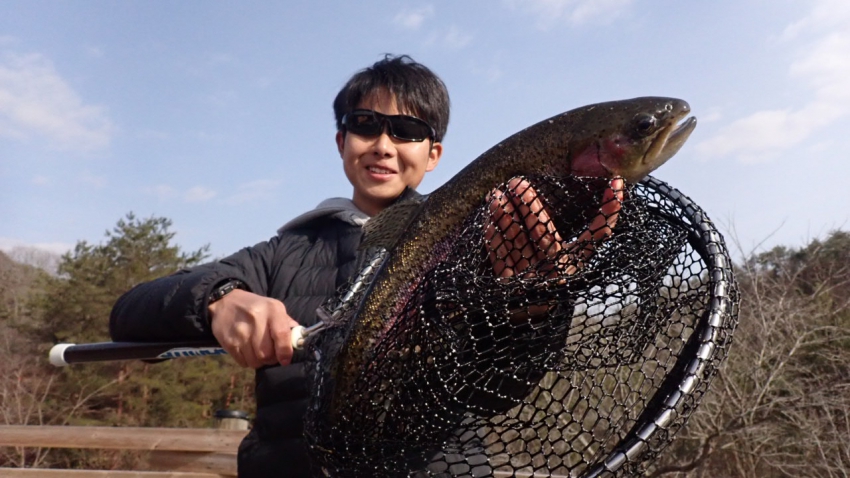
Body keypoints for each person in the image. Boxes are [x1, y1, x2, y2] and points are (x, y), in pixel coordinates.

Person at [110, 54, 623, 477]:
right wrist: (220, 299)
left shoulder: (482, 243)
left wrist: (530, 310)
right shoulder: (284, 250)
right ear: (342, 142)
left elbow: (500, 390)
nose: (382, 145)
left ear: (433, 155)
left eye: (406, 131)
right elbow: (129, 312)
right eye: (365, 125)